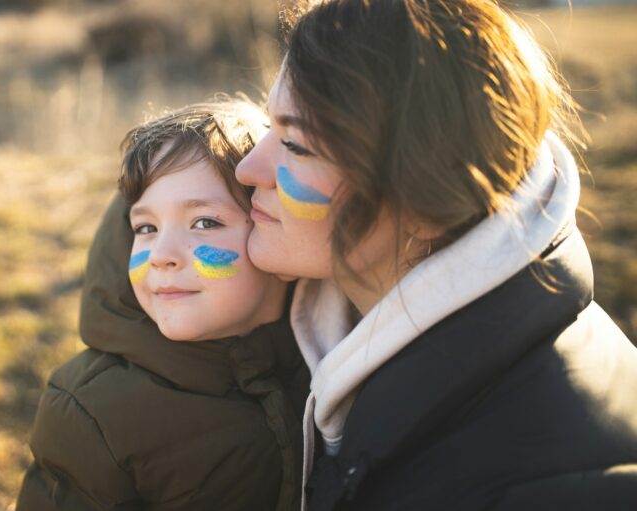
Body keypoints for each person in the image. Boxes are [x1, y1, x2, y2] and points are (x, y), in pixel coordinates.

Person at [235, 1, 637, 509]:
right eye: (268, 128)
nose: (247, 169)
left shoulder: (549, 486)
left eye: (295, 145)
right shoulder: (320, 319)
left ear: (426, 192)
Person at [16, 101, 309, 511]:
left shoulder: (331, 356)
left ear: (271, 224)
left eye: (204, 222)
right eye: (146, 228)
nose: (162, 254)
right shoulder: (93, 415)